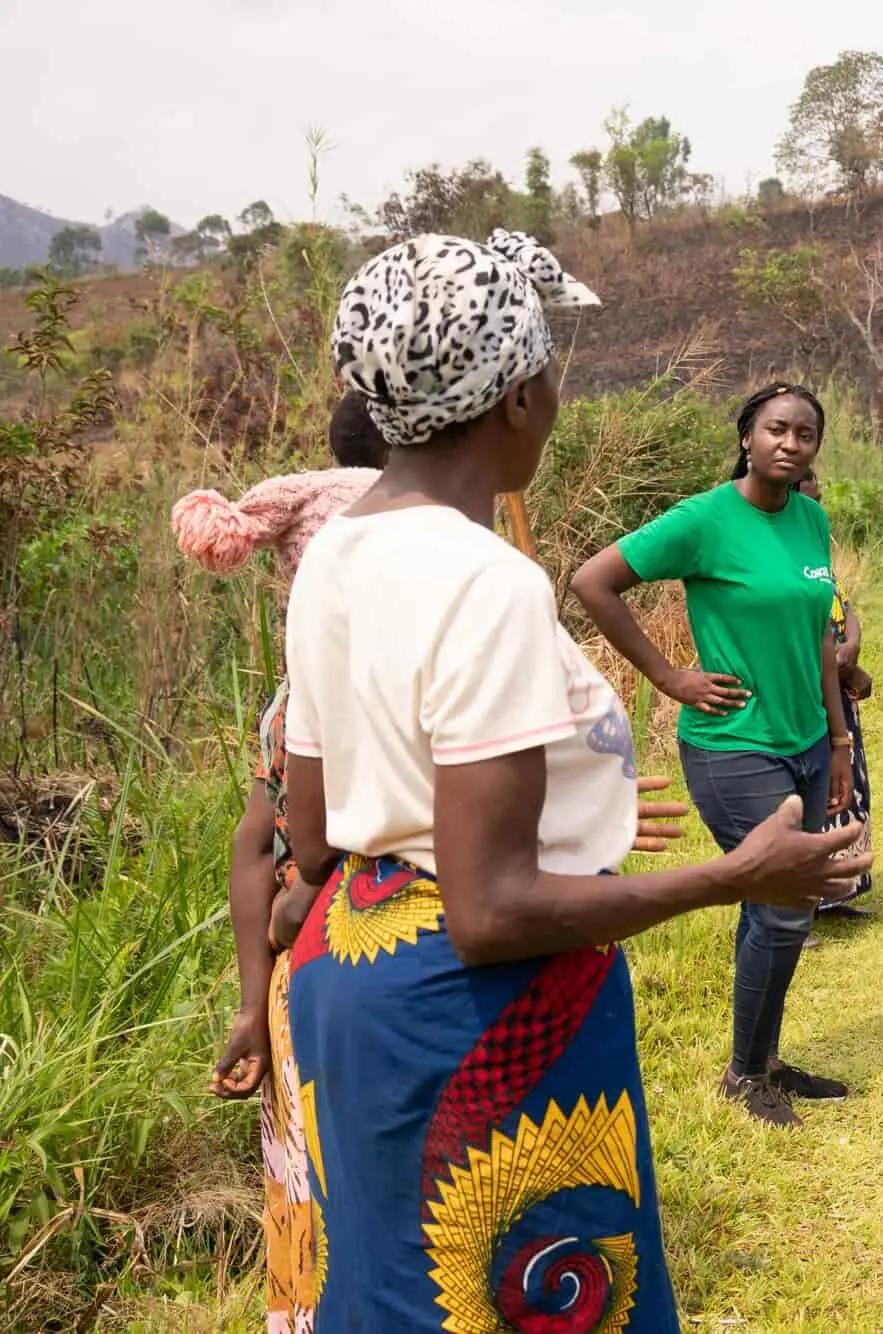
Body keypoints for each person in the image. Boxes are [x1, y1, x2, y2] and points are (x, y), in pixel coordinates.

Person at [279, 232, 865, 1330]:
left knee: (396, 1290)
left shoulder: (334, 554)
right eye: (551, 369)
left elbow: (312, 835)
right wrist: (733, 874)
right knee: (524, 1284)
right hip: (482, 1014)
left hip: (348, 972)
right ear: (512, 395)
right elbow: (489, 908)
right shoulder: (484, 576)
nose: (557, 393)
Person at [572, 382, 855, 1129]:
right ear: (748, 436)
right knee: (789, 900)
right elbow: (592, 581)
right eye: (776, 430)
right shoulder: (704, 519)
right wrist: (668, 676)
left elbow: (822, 639)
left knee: (777, 904)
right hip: (733, 747)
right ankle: (747, 1073)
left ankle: (761, 1057)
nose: (790, 444)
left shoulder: (812, 520)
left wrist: (839, 739)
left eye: (805, 434)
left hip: (803, 741)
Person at [176, 391, 386, 1334]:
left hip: (311, 1000)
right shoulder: (354, 699)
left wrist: (254, 1001)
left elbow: (251, 847)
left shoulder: (289, 709)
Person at [795, 467, 874, 919]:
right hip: (806, 692)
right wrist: (843, 667)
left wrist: (854, 645)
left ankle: (837, 893)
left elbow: (843, 605)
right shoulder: (779, 549)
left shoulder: (814, 544)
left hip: (837, 688)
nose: (819, 504)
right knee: (812, 791)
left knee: (846, 786)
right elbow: (803, 636)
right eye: (812, 495)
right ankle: (799, 907)